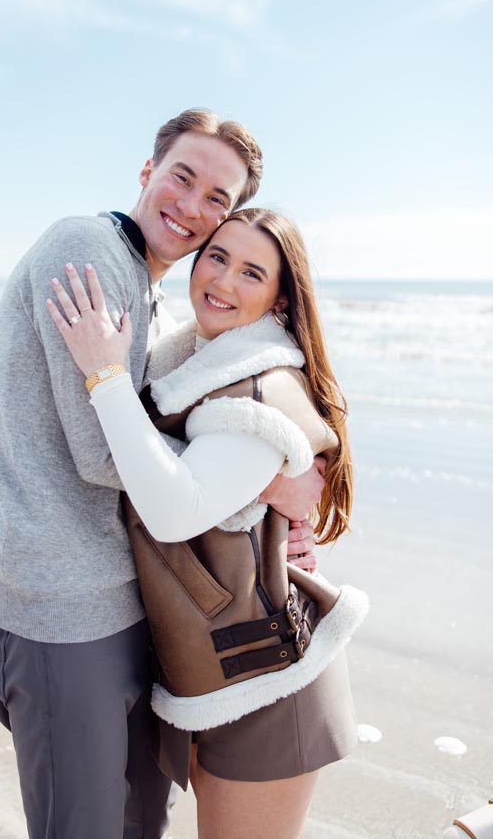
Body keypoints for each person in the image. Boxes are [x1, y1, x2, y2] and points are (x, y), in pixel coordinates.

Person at [0, 109, 326, 839]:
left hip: (122, 603)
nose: (192, 208)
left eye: (216, 200)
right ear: (147, 172)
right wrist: (264, 479)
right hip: (58, 605)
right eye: (181, 178)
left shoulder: (147, 291)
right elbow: (104, 455)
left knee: (140, 825)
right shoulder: (87, 251)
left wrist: (263, 468)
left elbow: (158, 429)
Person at [46, 207, 368, 839]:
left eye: (253, 272)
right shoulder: (191, 365)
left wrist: (103, 372)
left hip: (271, 682)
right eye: (217, 257)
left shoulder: (255, 394)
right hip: (218, 666)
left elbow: (172, 512)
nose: (223, 281)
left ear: (280, 300)